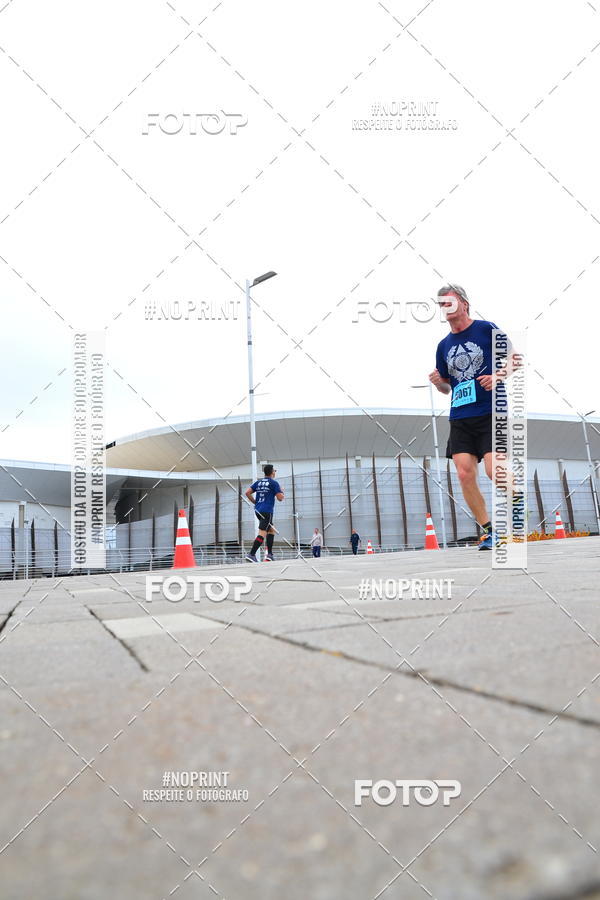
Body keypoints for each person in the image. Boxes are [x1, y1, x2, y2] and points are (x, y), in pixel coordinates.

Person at [429, 284, 519, 550]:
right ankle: (489, 531)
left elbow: (515, 358)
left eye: (450, 302)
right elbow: (448, 387)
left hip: (492, 410)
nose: (445, 307)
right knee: (464, 474)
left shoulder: (485, 329)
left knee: (495, 471)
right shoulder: (443, 345)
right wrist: (437, 384)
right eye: (441, 304)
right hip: (460, 416)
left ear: (464, 304)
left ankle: (517, 503)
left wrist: (498, 376)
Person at [245, 464, 284, 562]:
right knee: (262, 532)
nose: (275, 472)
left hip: (258, 511)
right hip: (267, 511)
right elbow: (280, 498)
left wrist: (255, 502)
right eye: (274, 471)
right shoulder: (274, 483)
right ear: (272, 472)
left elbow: (247, 492)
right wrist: (282, 492)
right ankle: (251, 554)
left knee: (271, 530)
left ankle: (269, 555)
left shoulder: (258, 482)